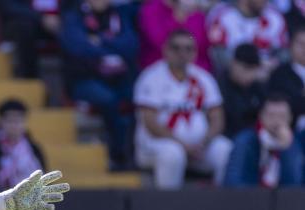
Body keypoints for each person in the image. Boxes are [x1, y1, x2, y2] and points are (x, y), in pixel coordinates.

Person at [133, 30, 231, 189]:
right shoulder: (151, 77)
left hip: (199, 146)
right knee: (173, 154)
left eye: (188, 49)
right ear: (165, 50)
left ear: (195, 53)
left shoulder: (204, 78)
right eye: (176, 48)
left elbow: (217, 117)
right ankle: (168, 207)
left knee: (225, 149)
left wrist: (204, 142)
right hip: (157, 145)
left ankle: (221, 204)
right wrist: (183, 145)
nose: (182, 53)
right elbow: (150, 122)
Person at [60, 0, 138, 169]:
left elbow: (131, 45)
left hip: (118, 78)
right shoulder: (74, 16)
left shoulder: (119, 15)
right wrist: (111, 48)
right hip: (84, 79)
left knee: (136, 97)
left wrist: (99, 39)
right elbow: (78, 47)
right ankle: (119, 156)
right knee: (109, 100)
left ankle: (131, 154)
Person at [224, 94, 303, 187]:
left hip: (286, 200)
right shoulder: (245, 140)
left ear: (290, 118)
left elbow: (295, 186)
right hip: (249, 198)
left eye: (282, 116)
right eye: (271, 115)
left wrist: (288, 147)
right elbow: (233, 182)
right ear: (261, 116)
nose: (276, 121)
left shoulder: (298, 142)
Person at [0, 98, 47, 189]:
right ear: (1, 122)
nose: (14, 126)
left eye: (19, 121)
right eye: (10, 121)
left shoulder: (34, 149)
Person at [220, 43, 266, 138]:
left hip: (253, 135)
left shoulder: (257, 85)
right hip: (226, 136)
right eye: (246, 68)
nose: (250, 74)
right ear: (233, 63)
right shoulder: (219, 83)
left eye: (254, 69)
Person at [267, 27, 305, 130]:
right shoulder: (280, 74)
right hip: (290, 130)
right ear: (291, 46)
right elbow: (286, 105)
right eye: (300, 44)